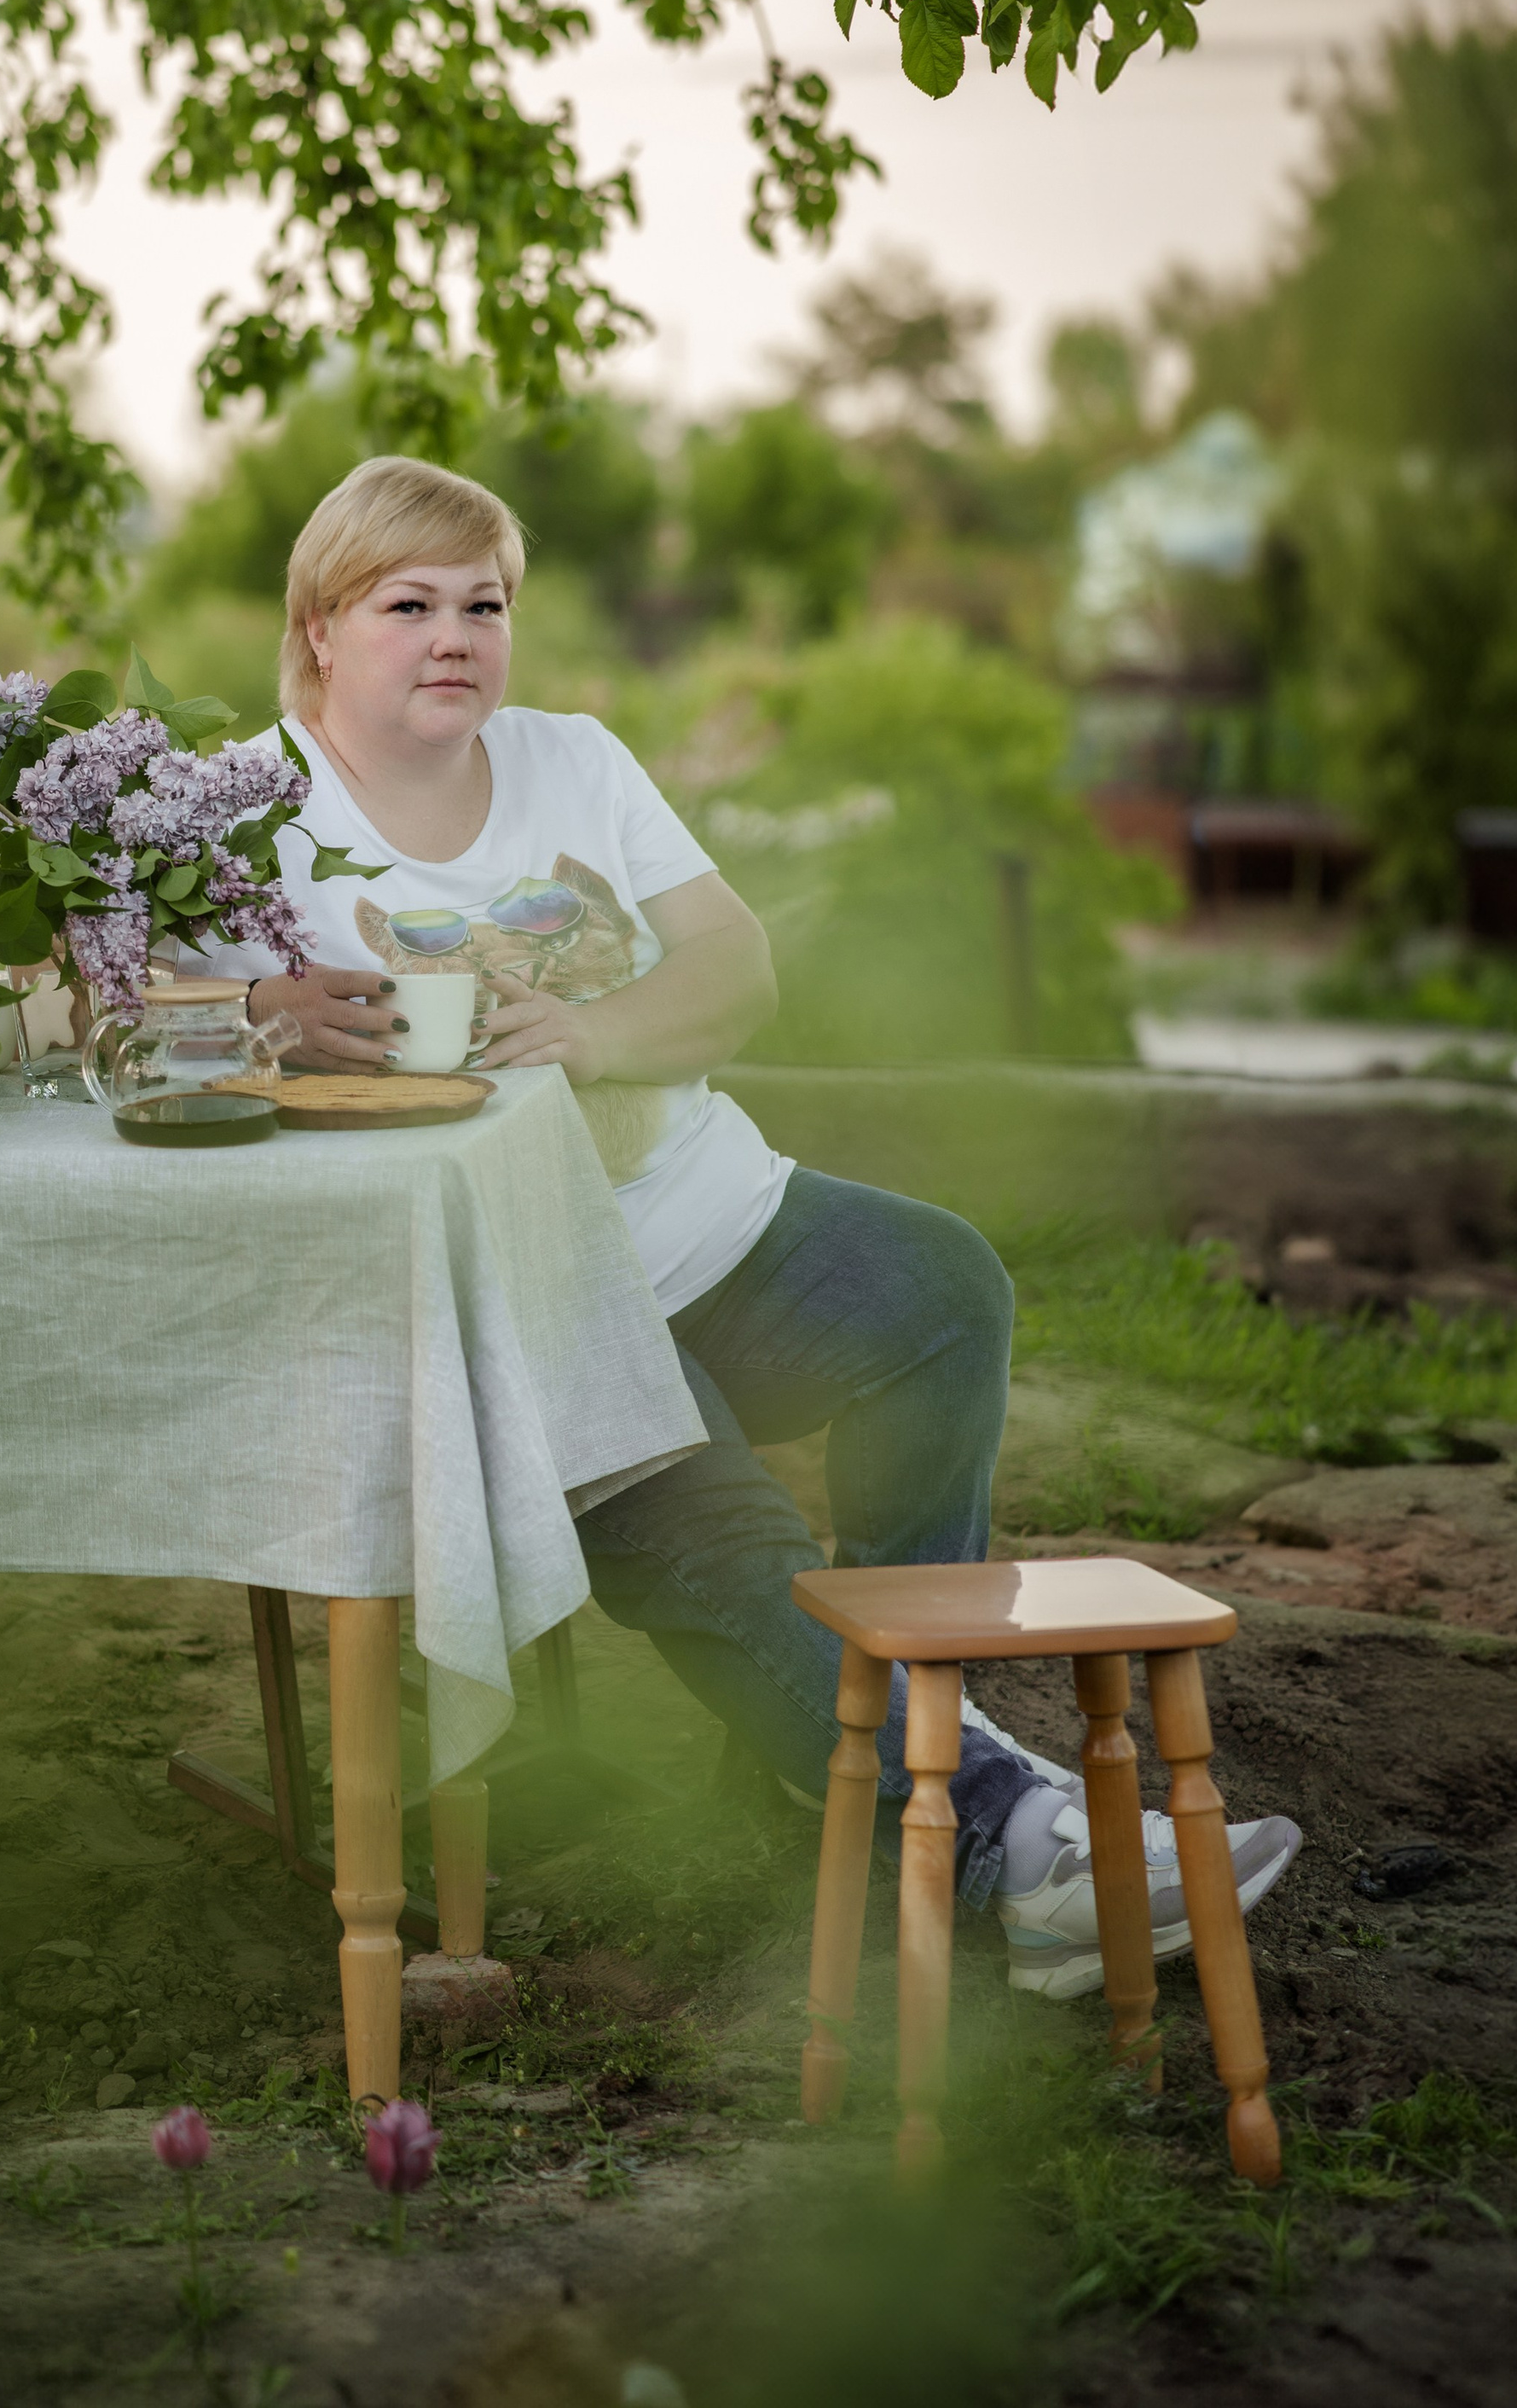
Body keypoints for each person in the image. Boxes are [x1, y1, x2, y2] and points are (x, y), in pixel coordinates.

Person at [186, 455, 1299, 1995]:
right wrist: (258, 1000)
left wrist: (599, 1034)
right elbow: (79, 1002)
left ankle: (869, 1751)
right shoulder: (243, 811)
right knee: (719, 1526)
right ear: (319, 628)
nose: (455, 637)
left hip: (714, 1230)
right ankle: (1004, 1847)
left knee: (942, 1290)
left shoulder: (574, 758)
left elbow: (737, 969)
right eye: (408, 606)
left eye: (484, 606)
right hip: (515, 1304)